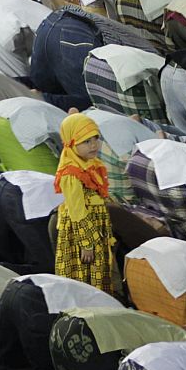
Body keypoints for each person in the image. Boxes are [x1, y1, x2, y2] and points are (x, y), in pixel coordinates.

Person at [54, 112, 116, 295]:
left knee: (100, 270)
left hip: (96, 227)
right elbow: (77, 211)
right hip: (82, 233)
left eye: (95, 138)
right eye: (86, 141)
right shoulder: (71, 173)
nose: (94, 145)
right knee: (85, 274)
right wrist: (87, 242)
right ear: (71, 143)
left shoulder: (91, 163)